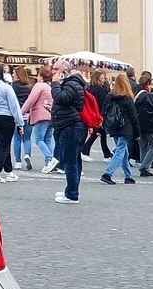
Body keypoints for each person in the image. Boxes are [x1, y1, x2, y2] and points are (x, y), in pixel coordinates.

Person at [49, 59, 86, 202]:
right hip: (68, 124)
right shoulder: (71, 84)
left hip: (70, 126)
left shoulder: (71, 84)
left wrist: (55, 83)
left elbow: (61, 98)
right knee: (73, 160)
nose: (53, 72)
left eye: (56, 69)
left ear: (64, 71)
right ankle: (70, 190)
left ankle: (72, 194)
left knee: (70, 162)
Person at [100, 72, 139, 185]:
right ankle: (107, 173)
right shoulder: (127, 98)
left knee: (123, 151)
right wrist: (137, 133)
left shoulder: (110, 96)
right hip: (125, 127)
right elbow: (133, 117)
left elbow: (104, 111)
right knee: (120, 150)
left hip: (113, 126)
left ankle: (128, 176)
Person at [21, 66, 55, 172]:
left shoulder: (39, 85)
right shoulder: (51, 87)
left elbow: (31, 100)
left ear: (41, 76)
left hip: (41, 115)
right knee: (48, 140)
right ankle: (49, 162)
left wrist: (21, 112)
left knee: (39, 140)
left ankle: (50, 159)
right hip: (51, 115)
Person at [134, 71, 153, 176]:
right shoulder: (149, 95)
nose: (152, 86)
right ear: (147, 85)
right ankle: (144, 167)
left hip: (139, 123)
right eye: (151, 84)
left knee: (143, 146)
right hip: (149, 123)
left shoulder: (137, 94)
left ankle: (143, 166)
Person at [82, 69, 112, 161]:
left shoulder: (90, 88)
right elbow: (102, 103)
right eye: (102, 78)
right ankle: (85, 151)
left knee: (100, 133)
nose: (104, 80)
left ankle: (106, 154)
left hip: (92, 112)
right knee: (98, 132)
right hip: (98, 113)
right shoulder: (100, 89)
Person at [11, 66, 33, 169]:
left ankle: (18, 161)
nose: (12, 74)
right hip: (28, 115)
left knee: (17, 138)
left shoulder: (13, 86)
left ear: (18, 75)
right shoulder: (29, 86)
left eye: (14, 73)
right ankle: (27, 154)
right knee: (27, 138)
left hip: (17, 114)